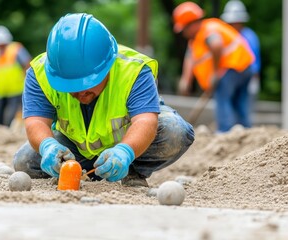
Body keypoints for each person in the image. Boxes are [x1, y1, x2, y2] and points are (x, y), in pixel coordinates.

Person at [13, 13, 194, 187]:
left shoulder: (133, 70)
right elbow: (36, 121)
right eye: (70, 86)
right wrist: (48, 147)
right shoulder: (40, 73)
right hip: (74, 147)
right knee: (25, 161)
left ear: (107, 66)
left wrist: (125, 152)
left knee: (175, 132)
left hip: (131, 144)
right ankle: (87, 172)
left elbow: (145, 121)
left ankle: (132, 170)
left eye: (87, 83)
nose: (79, 92)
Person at [173, 1, 255, 133]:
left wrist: (216, 73)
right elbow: (190, 58)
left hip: (233, 67)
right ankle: (246, 132)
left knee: (223, 97)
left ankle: (224, 131)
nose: (183, 33)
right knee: (240, 104)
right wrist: (185, 81)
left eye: (184, 29)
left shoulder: (207, 30)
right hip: (245, 66)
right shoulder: (195, 40)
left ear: (192, 24)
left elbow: (216, 45)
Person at [0, 26, 31, 129]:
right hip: (0, 91)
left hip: (16, 89)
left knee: (11, 117)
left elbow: (28, 65)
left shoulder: (16, 49)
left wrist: (28, 83)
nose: (0, 46)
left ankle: (7, 128)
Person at [221, 0, 261, 116]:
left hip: (247, 75)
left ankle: (244, 128)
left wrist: (254, 77)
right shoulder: (227, 36)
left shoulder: (249, 36)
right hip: (230, 74)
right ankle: (232, 129)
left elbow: (254, 60)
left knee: (244, 105)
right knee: (231, 103)